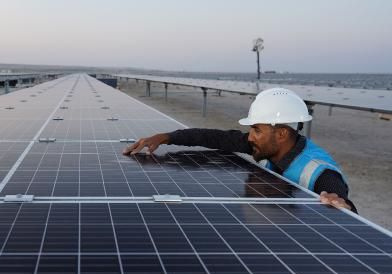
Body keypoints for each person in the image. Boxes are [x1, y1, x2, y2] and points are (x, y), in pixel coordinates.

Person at [123, 87, 356, 212]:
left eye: (256, 130)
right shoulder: (266, 146)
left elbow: (342, 204)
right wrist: (166, 137)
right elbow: (213, 137)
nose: (250, 137)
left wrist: (341, 205)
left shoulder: (320, 173)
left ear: (282, 133)